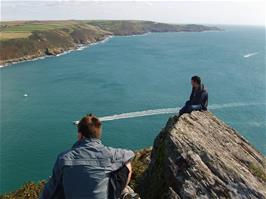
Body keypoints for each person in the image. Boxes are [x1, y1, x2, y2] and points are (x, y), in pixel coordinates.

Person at [40, 114, 138, 199]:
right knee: (126, 164)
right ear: (98, 135)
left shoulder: (64, 158)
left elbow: (50, 190)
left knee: (60, 180)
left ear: (80, 135)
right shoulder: (110, 154)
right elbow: (130, 154)